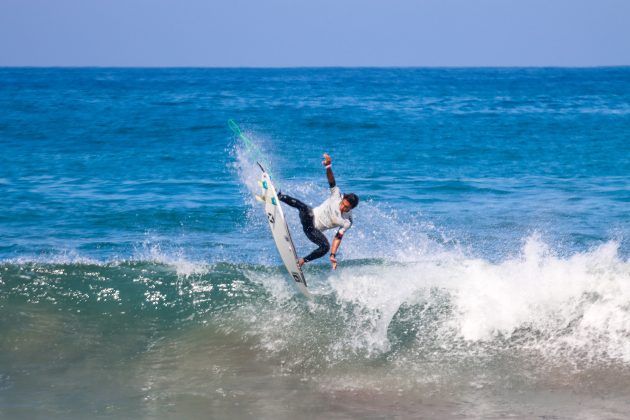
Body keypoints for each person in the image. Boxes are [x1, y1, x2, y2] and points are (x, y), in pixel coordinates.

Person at [277, 153, 359, 270]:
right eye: (343, 204)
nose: (342, 208)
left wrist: (332, 255)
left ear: (350, 209)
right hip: (308, 217)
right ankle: (279, 196)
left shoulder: (347, 221)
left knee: (325, 247)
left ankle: (302, 261)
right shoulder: (337, 195)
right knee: (305, 208)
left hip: (313, 231)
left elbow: (338, 237)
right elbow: (331, 180)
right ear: (343, 199)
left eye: (346, 208)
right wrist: (328, 166)